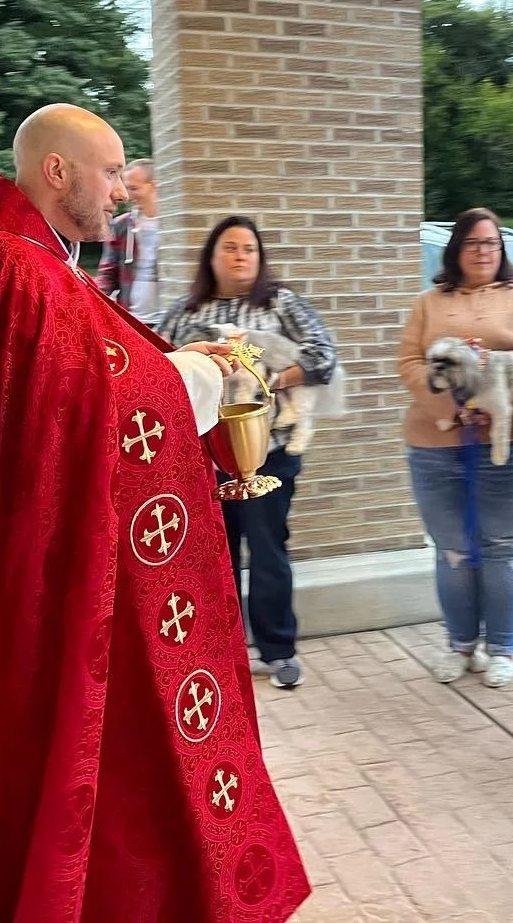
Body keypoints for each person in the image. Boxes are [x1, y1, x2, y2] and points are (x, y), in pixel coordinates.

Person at [0, 105, 310, 922]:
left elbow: (73, 389)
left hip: (47, 556)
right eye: (113, 171)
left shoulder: (32, 266)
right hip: (35, 573)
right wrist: (195, 371)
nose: (124, 191)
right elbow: (84, 403)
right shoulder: (8, 268)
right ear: (58, 172)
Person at [157, 216, 339, 692]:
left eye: (250, 249)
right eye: (231, 248)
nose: (241, 257)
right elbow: (155, 367)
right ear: (211, 257)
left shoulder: (281, 303)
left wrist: (272, 379)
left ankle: (279, 651)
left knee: (267, 549)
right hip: (205, 457)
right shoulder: (186, 311)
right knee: (214, 557)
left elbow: (323, 356)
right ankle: (222, 652)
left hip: (269, 450)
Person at [397, 208, 513, 688]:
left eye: (490, 243)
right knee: (452, 548)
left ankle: (503, 647)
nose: (482, 251)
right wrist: (448, 408)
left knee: (500, 546)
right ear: (455, 250)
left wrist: (512, 404)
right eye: (472, 243)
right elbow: (409, 363)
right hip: (435, 444)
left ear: (502, 249)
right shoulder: (427, 304)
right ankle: (460, 643)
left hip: (508, 447)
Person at [96, 157, 160, 323]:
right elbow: (108, 273)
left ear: (154, 185)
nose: (128, 195)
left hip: (167, 320)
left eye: (134, 188)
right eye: (127, 188)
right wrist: (90, 298)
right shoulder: (120, 225)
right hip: (133, 320)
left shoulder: (175, 226)